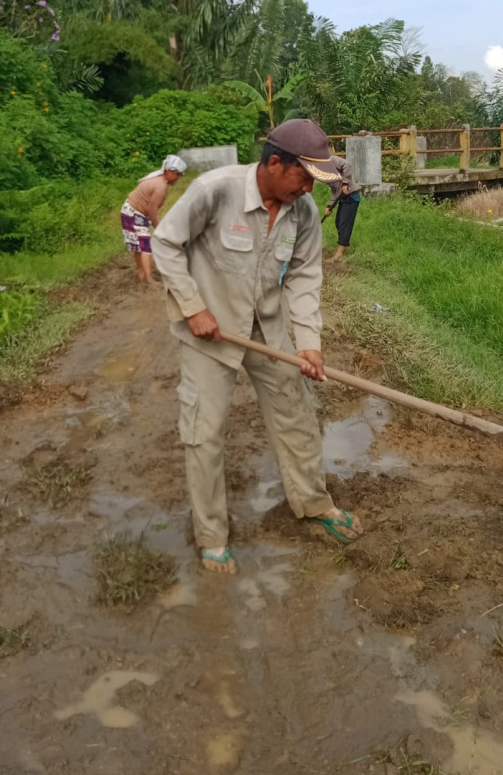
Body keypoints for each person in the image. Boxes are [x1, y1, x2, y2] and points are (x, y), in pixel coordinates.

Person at [151, 119, 364, 575]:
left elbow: (305, 279)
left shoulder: (303, 214)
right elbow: (165, 243)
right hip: (209, 333)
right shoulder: (216, 190)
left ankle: (312, 503)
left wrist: (308, 344)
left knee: (297, 415)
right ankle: (212, 537)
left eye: (314, 182)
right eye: (303, 177)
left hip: (266, 331)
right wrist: (192, 307)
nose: (308, 190)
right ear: (273, 163)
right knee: (204, 432)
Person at [121, 155, 187, 283]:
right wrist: (159, 227)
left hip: (129, 209)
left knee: (138, 245)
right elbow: (152, 210)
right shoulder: (160, 187)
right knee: (146, 246)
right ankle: (149, 279)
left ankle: (142, 274)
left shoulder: (158, 178)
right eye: (177, 174)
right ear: (169, 171)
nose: (178, 178)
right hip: (134, 213)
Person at [324, 153, 361, 262]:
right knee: (338, 222)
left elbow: (347, 165)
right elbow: (335, 191)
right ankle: (347, 247)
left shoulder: (331, 159)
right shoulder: (324, 173)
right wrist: (330, 206)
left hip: (351, 196)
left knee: (344, 224)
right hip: (342, 198)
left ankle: (339, 254)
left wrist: (345, 183)